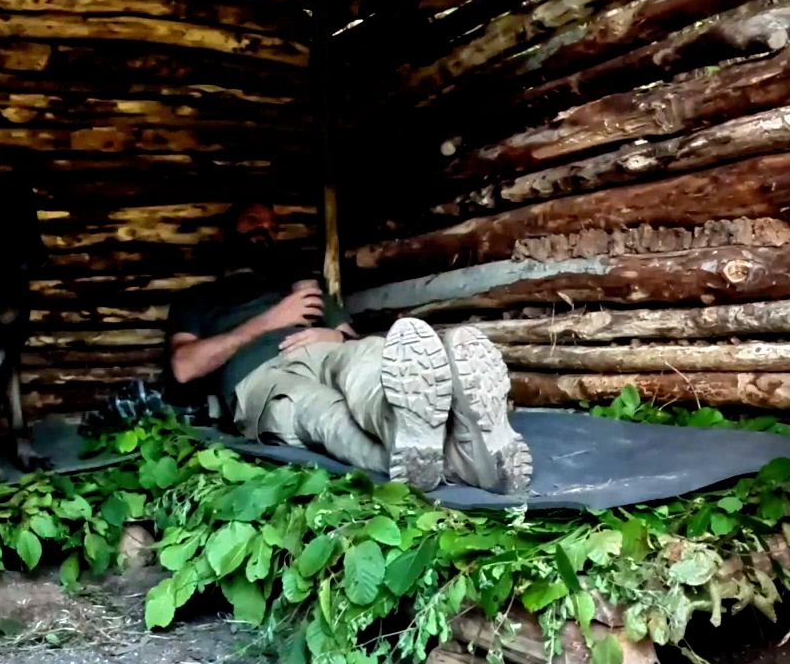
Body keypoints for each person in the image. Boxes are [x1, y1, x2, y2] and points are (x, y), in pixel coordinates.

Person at [167, 200, 532, 493]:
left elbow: (351, 337)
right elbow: (184, 368)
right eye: (253, 220)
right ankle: (458, 456)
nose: (266, 230)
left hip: (325, 350)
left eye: (273, 226)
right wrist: (271, 320)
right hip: (260, 375)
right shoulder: (199, 299)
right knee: (321, 414)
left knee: (369, 361)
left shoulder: (302, 290)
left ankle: (419, 432)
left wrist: (336, 336)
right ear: (227, 231)